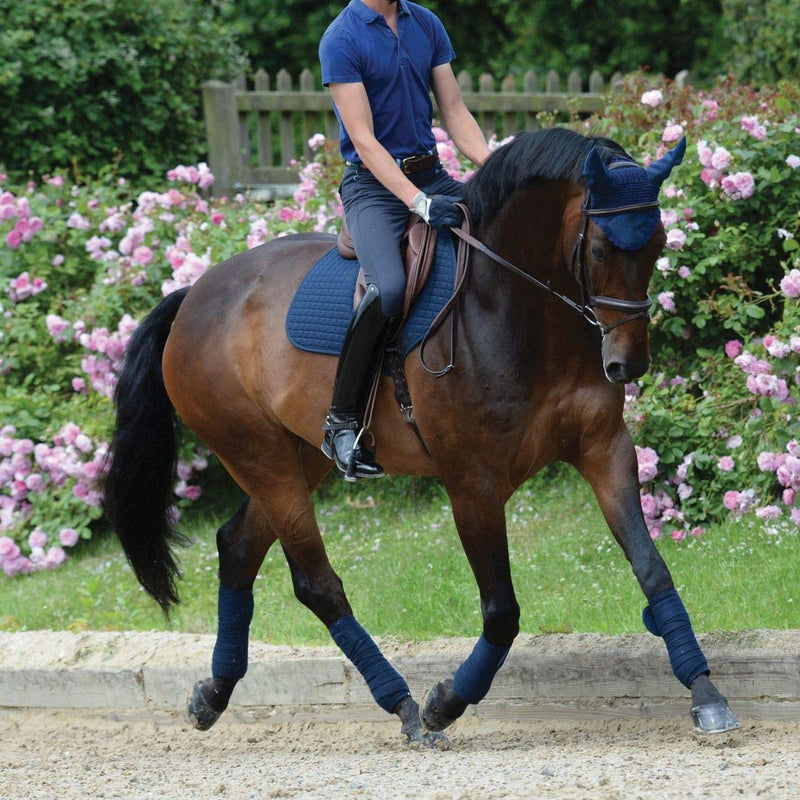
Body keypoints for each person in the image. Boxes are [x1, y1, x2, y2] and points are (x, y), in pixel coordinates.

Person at [319, 0, 491, 481]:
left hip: (431, 174)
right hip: (373, 188)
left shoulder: (426, 23)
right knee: (389, 289)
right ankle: (341, 424)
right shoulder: (342, 38)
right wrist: (417, 202)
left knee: (501, 238)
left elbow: (454, 112)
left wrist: (494, 171)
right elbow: (365, 140)